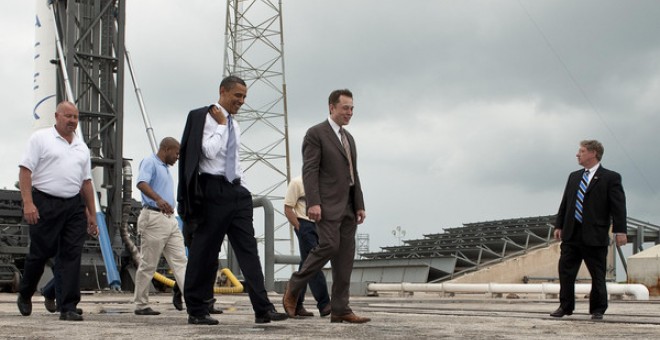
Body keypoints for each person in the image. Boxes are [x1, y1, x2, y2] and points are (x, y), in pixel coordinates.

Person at [177, 75, 288, 325]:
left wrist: (243, 188)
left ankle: (263, 308)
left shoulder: (233, 124)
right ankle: (196, 309)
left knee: (249, 251)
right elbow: (207, 152)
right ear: (222, 91)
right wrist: (219, 126)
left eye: (244, 96)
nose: (242, 101)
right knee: (204, 251)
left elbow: (234, 160)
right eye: (237, 95)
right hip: (212, 190)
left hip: (236, 192)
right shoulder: (205, 117)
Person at [283, 89, 370, 324]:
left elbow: (353, 174)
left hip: (349, 208)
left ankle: (340, 308)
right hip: (327, 205)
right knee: (329, 246)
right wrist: (314, 202)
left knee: (345, 258)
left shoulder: (349, 138)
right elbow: (309, 170)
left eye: (352, 108)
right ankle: (295, 285)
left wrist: (359, 204)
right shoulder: (316, 134)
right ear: (331, 107)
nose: (349, 112)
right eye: (345, 108)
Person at [16, 101, 99, 321]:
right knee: (40, 254)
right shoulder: (40, 139)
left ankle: (68, 306)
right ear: (57, 116)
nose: (72, 121)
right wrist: (28, 203)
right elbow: (25, 171)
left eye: (75, 117)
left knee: (71, 255)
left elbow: (87, 183)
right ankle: (25, 293)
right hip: (45, 202)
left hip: (73, 205)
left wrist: (91, 214)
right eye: (68, 116)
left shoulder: (81, 147)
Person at [550, 140, 627, 320]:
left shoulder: (610, 177)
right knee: (566, 272)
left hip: (595, 234)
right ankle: (565, 306)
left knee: (597, 274)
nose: (578, 154)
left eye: (582, 151)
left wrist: (620, 230)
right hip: (572, 233)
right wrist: (559, 225)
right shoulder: (574, 176)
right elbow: (566, 203)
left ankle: (598, 309)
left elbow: (618, 206)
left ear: (593, 153)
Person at [133, 137, 188, 315]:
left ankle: (193, 302)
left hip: (170, 219)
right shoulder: (150, 162)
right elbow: (141, 183)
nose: (177, 157)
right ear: (166, 149)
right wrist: (158, 199)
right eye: (176, 153)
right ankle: (141, 304)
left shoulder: (165, 168)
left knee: (181, 261)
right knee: (149, 264)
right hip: (154, 217)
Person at [283, 175, 331, 317]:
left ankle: (296, 303)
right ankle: (324, 304)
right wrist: (299, 227)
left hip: (320, 226)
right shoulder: (297, 183)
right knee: (313, 262)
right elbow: (287, 208)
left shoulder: (324, 183)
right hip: (304, 224)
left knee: (307, 264)